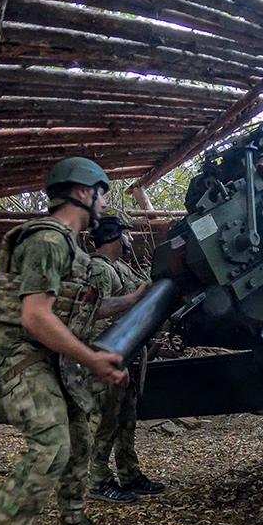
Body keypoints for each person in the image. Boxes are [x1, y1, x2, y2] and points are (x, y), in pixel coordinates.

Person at [0, 157, 139, 525]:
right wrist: (93, 360)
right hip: (25, 358)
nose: (104, 202)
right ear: (83, 193)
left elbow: (79, 310)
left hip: (54, 360)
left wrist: (134, 299)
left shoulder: (72, 249)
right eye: (101, 192)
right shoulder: (46, 240)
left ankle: (74, 519)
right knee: (51, 443)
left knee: (82, 429)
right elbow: (35, 316)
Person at [87, 210, 165, 501]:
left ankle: (129, 474)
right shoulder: (98, 269)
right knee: (105, 420)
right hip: (105, 356)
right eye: (126, 233)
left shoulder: (121, 267)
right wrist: (133, 299)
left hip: (126, 355)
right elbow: (95, 308)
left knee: (125, 420)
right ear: (112, 235)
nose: (130, 238)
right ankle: (97, 481)